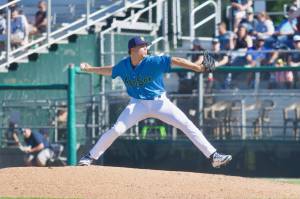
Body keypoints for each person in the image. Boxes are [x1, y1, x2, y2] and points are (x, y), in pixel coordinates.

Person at [78, 36, 232, 168]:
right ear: (132, 50)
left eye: (146, 46)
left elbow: (175, 60)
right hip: (137, 104)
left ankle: (214, 156)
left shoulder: (153, 61)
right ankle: (90, 157)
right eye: (142, 46)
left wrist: (197, 67)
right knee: (117, 129)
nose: (146, 48)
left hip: (160, 103)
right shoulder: (124, 65)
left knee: (186, 124)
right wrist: (90, 68)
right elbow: (110, 70)